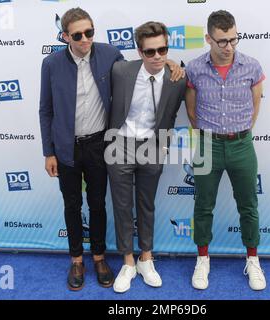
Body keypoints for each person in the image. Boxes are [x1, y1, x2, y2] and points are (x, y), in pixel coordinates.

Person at [39, 8, 183, 291]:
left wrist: (172, 63)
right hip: (74, 147)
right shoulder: (53, 64)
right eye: (77, 35)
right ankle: (80, 260)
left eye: (89, 32)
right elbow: (46, 110)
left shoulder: (110, 56)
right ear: (65, 36)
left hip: (102, 144)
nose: (85, 39)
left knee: (103, 204)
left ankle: (110, 258)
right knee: (75, 204)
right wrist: (49, 151)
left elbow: (152, 63)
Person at [185, 10, 266, 291]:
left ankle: (253, 259)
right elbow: (192, 111)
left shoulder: (252, 66)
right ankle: (203, 258)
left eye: (233, 39)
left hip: (242, 144)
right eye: (221, 41)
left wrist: (241, 130)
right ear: (208, 38)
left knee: (248, 205)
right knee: (203, 205)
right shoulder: (194, 68)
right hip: (207, 145)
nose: (229, 46)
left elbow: (256, 105)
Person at [105, 21, 186, 293]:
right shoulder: (121, 70)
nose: (158, 56)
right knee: (122, 205)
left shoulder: (177, 78)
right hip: (120, 144)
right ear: (139, 52)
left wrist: (162, 144)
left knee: (146, 204)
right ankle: (128, 262)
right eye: (150, 52)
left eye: (163, 49)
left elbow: (172, 114)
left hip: (153, 146)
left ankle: (146, 258)